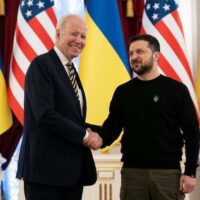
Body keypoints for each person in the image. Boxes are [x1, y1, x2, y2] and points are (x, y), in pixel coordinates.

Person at [100, 34, 200, 200]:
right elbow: (110, 130)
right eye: (131, 53)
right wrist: (89, 135)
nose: (134, 57)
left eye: (140, 52)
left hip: (167, 175)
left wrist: (190, 172)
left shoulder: (177, 90)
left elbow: (192, 132)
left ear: (156, 56)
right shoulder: (123, 92)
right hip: (132, 175)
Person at [16, 15, 102, 200]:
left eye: (83, 36)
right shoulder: (42, 65)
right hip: (46, 174)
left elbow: (71, 119)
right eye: (74, 34)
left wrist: (103, 133)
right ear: (58, 33)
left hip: (71, 175)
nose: (79, 40)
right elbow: (46, 115)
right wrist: (86, 136)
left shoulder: (69, 69)